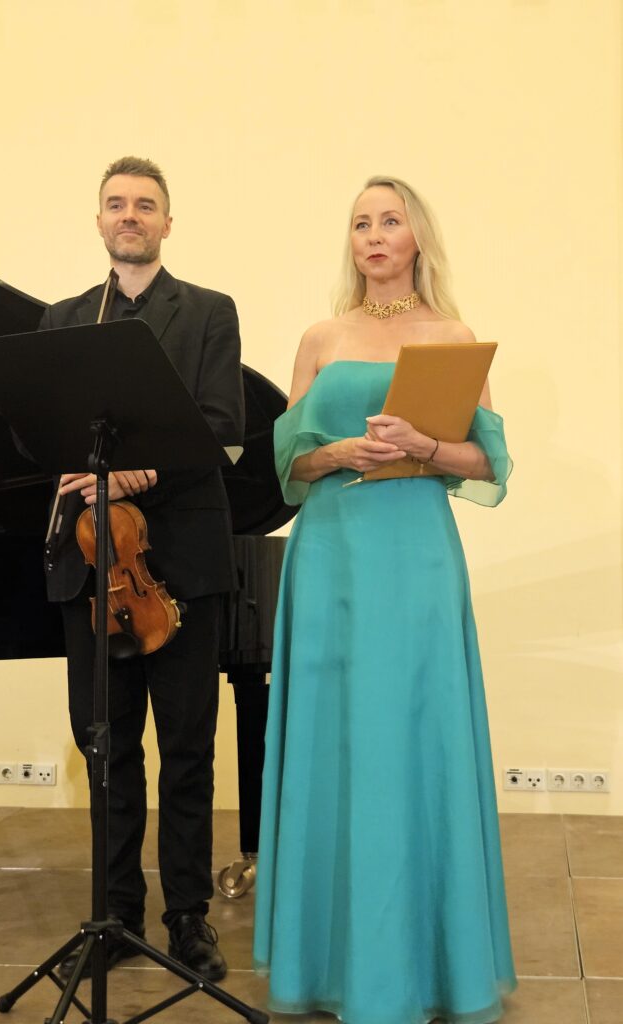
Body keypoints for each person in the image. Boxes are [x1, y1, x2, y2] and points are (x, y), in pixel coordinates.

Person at [253, 176, 516, 1024]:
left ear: (416, 238)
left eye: (390, 220)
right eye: (361, 222)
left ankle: (426, 970)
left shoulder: (453, 337)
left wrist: (424, 444)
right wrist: (333, 455)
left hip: (415, 557)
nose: (373, 234)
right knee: (336, 739)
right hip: (331, 556)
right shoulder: (321, 337)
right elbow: (286, 465)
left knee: (415, 735)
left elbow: (487, 463)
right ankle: (328, 964)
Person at [41, 156, 244, 981]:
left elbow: (222, 427)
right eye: (117, 204)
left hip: (181, 562)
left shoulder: (208, 312)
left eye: (146, 205)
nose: (130, 215)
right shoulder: (60, 322)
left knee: (186, 749)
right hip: (91, 565)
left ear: (166, 222)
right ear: (99, 220)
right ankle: (116, 914)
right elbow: (37, 431)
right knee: (107, 750)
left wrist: (134, 477)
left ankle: (188, 916)